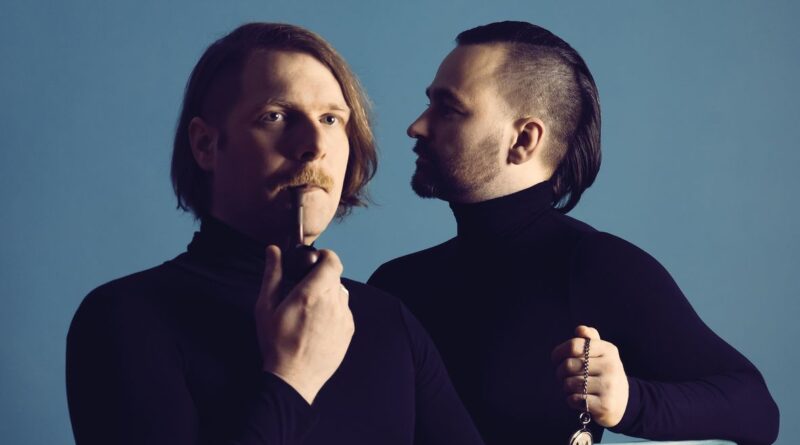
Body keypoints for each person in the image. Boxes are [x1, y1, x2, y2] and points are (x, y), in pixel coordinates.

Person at [66, 23, 486, 445]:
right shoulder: (125, 317)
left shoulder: (388, 320)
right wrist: (293, 378)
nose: (315, 144)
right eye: (276, 116)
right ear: (205, 145)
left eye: (330, 119)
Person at [368, 21, 779, 445]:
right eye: (429, 104)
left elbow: (756, 408)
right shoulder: (394, 285)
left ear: (524, 139)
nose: (417, 126)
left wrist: (631, 402)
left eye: (449, 109)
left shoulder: (596, 267)